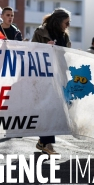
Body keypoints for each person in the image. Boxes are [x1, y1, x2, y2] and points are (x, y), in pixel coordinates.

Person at [31, 8, 72, 155]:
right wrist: (44, 48)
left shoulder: (64, 36)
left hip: (59, 76)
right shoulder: (40, 32)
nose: (68, 25)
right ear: (58, 21)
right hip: (44, 76)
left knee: (54, 110)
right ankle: (48, 144)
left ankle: (43, 142)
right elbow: (31, 51)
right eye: (66, 22)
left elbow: (66, 56)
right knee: (48, 109)